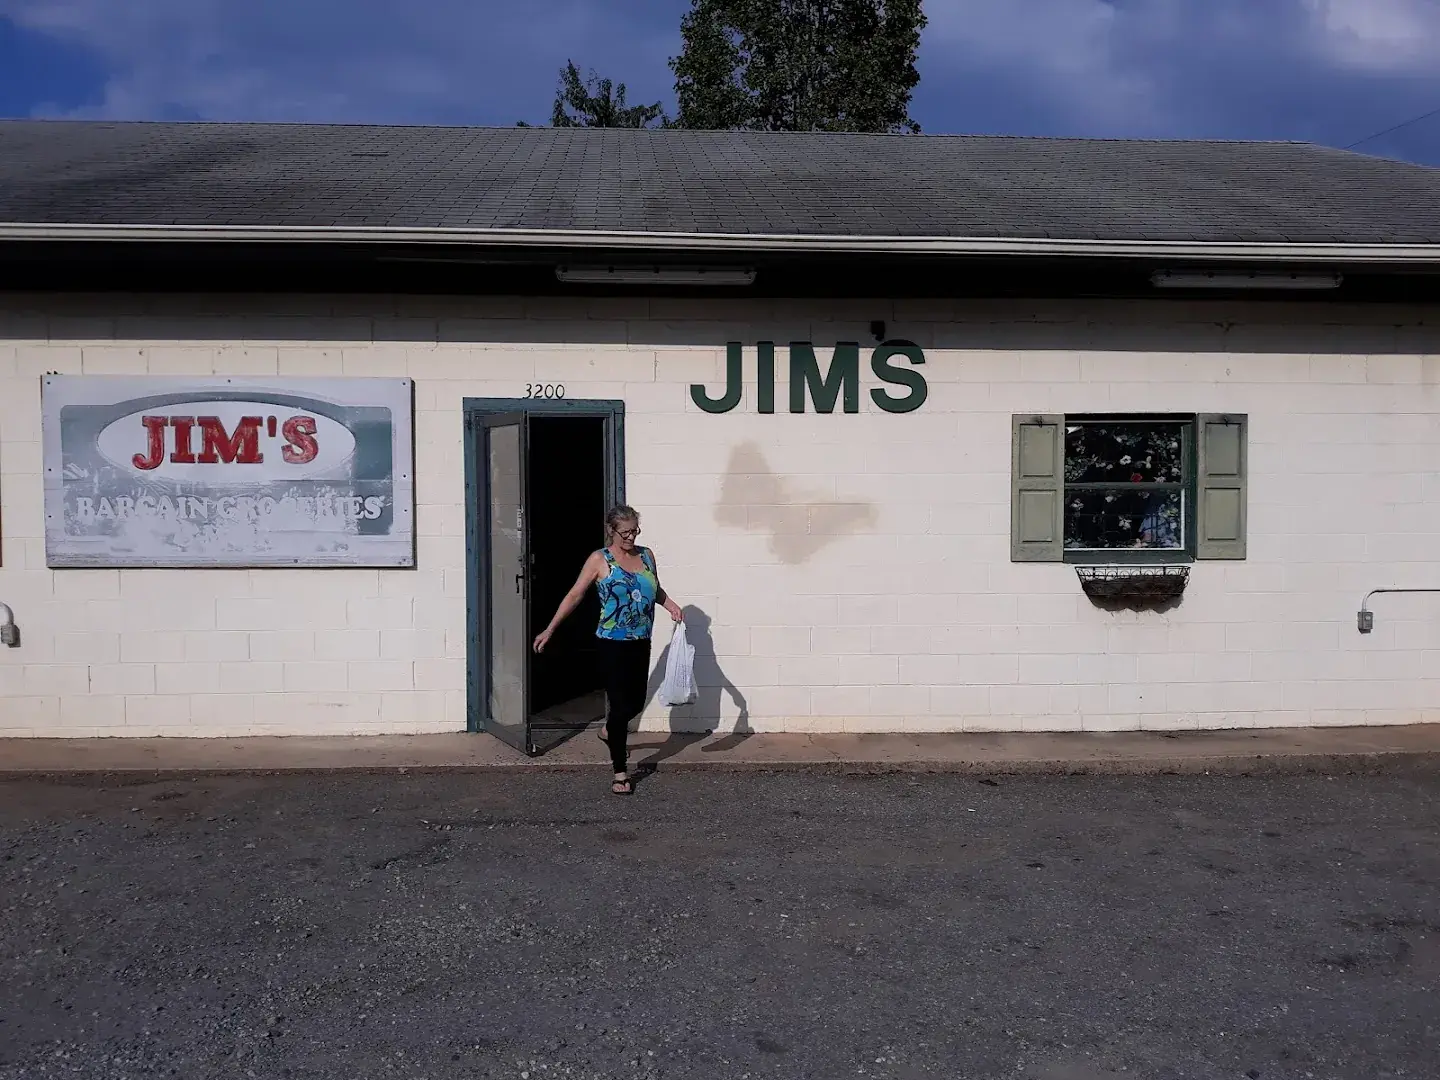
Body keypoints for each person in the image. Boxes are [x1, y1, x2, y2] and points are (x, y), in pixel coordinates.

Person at [533, 505, 683, 795]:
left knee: (635, 704)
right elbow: (575, 594)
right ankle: (620, 772)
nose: (630, 537)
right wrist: (550, 628)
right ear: (611, 531)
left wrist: (670, 605)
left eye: (634, 530)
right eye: (625, 532)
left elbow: (654, 588)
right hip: (611, 642)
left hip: (641, 639)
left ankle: (608, 731)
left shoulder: (647, 555)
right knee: (619, 705)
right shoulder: (599, 560)